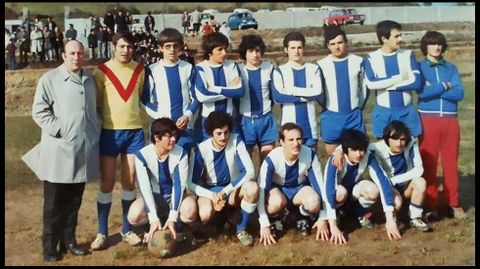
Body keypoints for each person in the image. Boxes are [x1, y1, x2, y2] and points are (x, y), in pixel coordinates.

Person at [21, 40, 102, 261]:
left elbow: (95, 110)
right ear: (64, 55)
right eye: (72, 53)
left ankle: (69, 241)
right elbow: (39, 110)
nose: (76, 57)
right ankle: (49, 246)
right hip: (59, 151)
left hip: (82, 151)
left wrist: (94, 130)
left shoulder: (90, 79)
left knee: (74, 201)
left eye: (80, 53)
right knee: (54, 204)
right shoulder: (50, 79)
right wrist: (60, 129)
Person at [91, 32, 145, 250]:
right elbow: (97, 104)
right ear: (114, 47)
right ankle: (102, 232)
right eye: (122, 46)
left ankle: (127, 229)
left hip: (134, 133)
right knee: (107, 182)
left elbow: (139, 97)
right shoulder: (101, 72)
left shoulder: (140, 70)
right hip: (110, 133)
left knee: (130, 182)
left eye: (130, 47)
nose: (126, 51)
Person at [315, 129, 400, 244]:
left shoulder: (368, 157)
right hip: (340, 194)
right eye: (354, 150)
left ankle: (356, 212)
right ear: (345, 150)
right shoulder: (335, 159)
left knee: (373, 190)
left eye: (361, 150)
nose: (359, 154)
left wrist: (390, 220)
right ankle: (338, 213)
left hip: (354, 193)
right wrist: (333, 225)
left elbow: (383, 182)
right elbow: (329, 191)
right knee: (340, 193)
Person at [188, 111, 258, 246]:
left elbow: (250, 172)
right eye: (218, 133)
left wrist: (225, 191)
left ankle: (241, 229)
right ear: (210, 133)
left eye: (226, 132)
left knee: (252, 188)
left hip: (231, 189)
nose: (223, 137)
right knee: (205, 213)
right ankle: (220, 222)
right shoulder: (201, 149)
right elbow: (190, 183)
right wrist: (212, 195)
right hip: (211, 191)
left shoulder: (236, 140)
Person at [417, 31, 466, 219]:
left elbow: (459, 93)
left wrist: (434, 90)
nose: (436, 47)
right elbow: (422, 93)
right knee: (429, 163)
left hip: (450, 120)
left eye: (439, 43)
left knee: (450, 162)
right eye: (432, 44)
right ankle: (431, 205)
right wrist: (446, 86)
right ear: (425, 47)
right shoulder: (420, 67)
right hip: (427, 119)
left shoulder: (451, 68)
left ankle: (453, 203)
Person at [127, 118, 198, 243]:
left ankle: (179, 226)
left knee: (190, 210)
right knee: (134, 215)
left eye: (175, 135)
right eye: (169, 136)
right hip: (155, 198)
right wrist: (153, 218)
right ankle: (151, 226)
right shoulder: (142, 155)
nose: (173, 139)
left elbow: (179, 186)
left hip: (173, 197)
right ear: (156, 137)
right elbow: (145, 188)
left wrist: (173, 217)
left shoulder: (180, 154)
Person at [257, 123, 324, 246]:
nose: (296, 143)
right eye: (291, 140)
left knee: (314, 203)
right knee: (274, 204)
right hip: (278, 191)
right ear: (282, 142)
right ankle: (276, 219)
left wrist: (323, 218)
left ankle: (299, 217)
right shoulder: (272, 158)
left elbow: (320, 186)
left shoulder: (310, 154)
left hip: (299, 189)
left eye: (299, 139)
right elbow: (261, 190)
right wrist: (264, 223)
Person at [141, 28, 200, 153]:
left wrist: (187, 115)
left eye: (175, 46)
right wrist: (159, 117)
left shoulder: (188, 68)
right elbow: (143, 100)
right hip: (160, 126)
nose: (172, 50)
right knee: (160, 165)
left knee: (184, 164)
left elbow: (196, 97)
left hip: (183, 126)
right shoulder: (152, 70)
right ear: (160, 48)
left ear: (180, 48)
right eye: (168, 46)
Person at [367, 121, 432, 232]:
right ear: (387, 138)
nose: (399, 143)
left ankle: (415, 217)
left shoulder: (411, 143)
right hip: (387, 188)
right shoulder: (376, 148)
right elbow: (354, 146)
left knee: (421, 182)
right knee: (397, 203)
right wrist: (339, 150)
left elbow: (419, 170)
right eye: (395, 139)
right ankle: (389, 219)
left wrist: (393, 180)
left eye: (402, 139)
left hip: (403, 185)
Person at [363, 20, 423, 139]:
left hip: (407, 112)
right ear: (384, 39)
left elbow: (416, 82)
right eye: (396, 36)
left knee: (411, 151)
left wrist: (388, 85)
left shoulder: (408, 54)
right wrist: (400, 78)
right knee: (384, 153)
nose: (400, 39)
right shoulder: (372, 58)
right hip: (384, 113)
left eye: (400, 35)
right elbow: (371, 84)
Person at [317, 26, 367, 156]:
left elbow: (364, 88)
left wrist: (358, 108)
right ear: (328, 46)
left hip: (353, 116)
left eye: (340, 42)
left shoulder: (358, 61)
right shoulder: (322, 64)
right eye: (332, 44)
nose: (337, 47)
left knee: (357, 157)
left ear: (346, 42)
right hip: (332, 117)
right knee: (333, 160)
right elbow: (319, 92)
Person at [271, 31, 323, 150]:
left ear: (303, 49)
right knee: (289, 165)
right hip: (288, 129)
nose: (296, 51)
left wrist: (290, 90)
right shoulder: (279, 71)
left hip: (310, 127)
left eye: (299, 47)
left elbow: (317, 92)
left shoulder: (313, 69)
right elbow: (278, 97)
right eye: (293, 48)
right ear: (286, 50)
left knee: (310, 164)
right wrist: (306, 94)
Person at [194, 32, 244, 142]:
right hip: (207, 119)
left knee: (231, 156)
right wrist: (228, 89)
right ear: (209, 51)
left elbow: (240, 91)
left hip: (229, 119)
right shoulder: (200, 68)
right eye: (220, 49)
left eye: (225, 49)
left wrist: (213, 88)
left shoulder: (231, 65)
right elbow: (202, 96)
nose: (224, 53)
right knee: (206, 156)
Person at [237, 34, 278, 164]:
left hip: (266, 119)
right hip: (245, 121)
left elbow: (274, 94)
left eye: (257, 50)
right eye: (250, 51)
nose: (255, 54)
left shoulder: (269, 68)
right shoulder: (238, 70)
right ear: (245, 53)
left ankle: (265, 184)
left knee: (268, 163)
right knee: (246, 164)